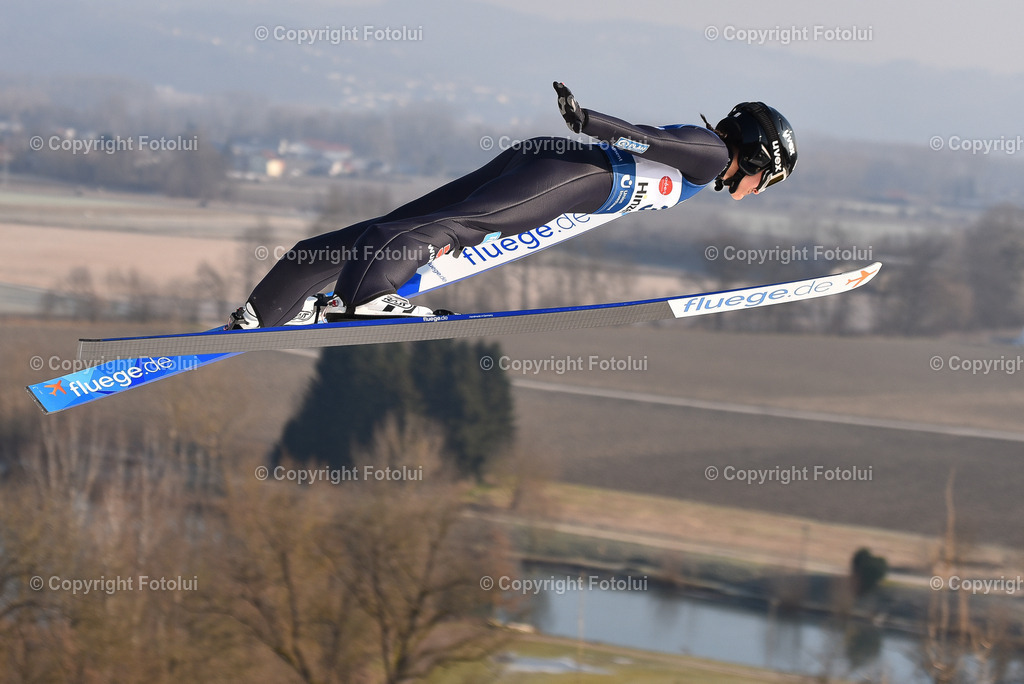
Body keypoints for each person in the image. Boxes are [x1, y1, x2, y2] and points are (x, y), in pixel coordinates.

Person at [228, 82, 797, 329]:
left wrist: (587, 129)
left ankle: (272, 302)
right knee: (462, 225)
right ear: (756, 156)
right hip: (569, 175)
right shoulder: (711, 153)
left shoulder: (708, 153)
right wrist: (590, 121)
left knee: (407, 222)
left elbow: (652, 146)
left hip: (552, 163)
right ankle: (364, 299)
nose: (757, 190)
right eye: (766, 180)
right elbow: (650, 140)